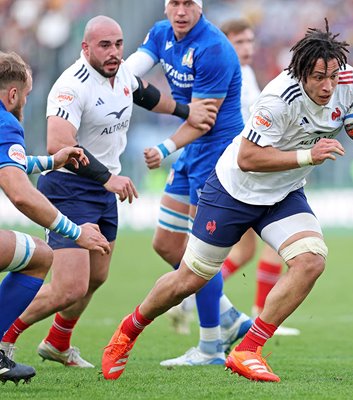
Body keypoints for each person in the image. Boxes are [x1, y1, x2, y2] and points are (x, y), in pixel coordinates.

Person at [101, 19, 353, 382]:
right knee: (190, 279)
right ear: (302, 72)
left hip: (284, 193)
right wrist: (309, 156)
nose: (328, 85)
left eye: (333, 76)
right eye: (319, 77)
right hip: (235, 190)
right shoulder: (278, 97)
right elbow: (248, 157)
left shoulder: (348, 80)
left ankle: (248, 349)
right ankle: (126, 333)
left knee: (310, 261)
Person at [0, 15, 215, 368]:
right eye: (104, 45)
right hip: (71, 188)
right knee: (69, 287)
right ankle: (4, 339)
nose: (114, 52)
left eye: (118, 44)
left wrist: (186, 111)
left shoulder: (122, 73)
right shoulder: (71, 86)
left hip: (102, 189)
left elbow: (145, 95)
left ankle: (57, 342)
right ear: (85, 48)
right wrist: (108, 180)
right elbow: (59, 143)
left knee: (96, 277)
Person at [124, 0, 252, 367]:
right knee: (166, 244)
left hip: (215, 155)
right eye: (174, 3)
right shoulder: (162, 33)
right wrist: (113, 73)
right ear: (166, 8)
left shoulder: (213, 47)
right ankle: (227, 316)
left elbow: (202, 120)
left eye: (188, 3)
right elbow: (132, 68)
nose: (181, 10)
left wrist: (164, 148)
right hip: (190, 153)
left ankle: (211, 346)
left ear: (200, 7)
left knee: (200, 255)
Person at [0, 51, 111, 383]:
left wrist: (51, 161)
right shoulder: (6, 120)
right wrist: (75, 232)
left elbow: (11, 163)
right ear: (14, 94)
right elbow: (19, 192)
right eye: (27, 96)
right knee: (40, 255)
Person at [218, 18, 300, 337]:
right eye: (240, 42)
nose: (248, 48)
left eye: (250, 41)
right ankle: (208, 298)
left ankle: (200, 296)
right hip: (235, 172)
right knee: (267, 246)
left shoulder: (247, 73)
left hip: (251, 167)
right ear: (224, 44)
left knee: (245, 251)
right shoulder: (223, 74)